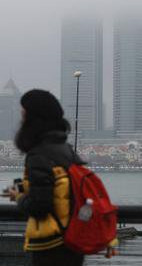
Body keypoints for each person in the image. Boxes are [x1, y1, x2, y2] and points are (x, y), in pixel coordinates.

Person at [7, 89, 85, 266]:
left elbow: (40, 206)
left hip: (52, 245)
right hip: (73, 241)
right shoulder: (66, 149)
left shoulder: (39, 155)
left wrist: (18, 196)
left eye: (24, 112)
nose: (21, 117)